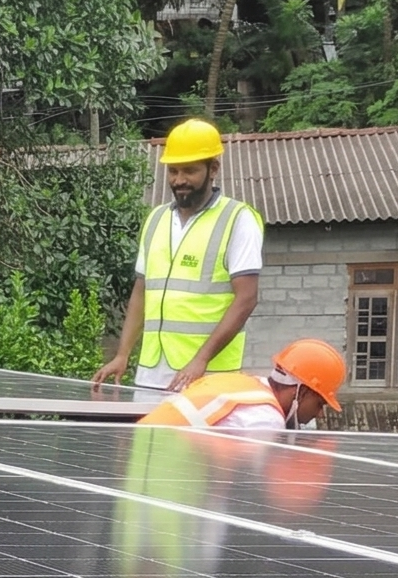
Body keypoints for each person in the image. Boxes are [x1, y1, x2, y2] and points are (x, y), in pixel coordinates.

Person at [93, 118, 264, 396]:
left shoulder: (237, 220)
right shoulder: (156, 219)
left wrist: (201, 360)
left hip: (208, 379)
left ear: (213, 169)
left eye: (190, 171)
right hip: (150, 376)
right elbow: (141, 291)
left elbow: (246, 298)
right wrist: (122, 354)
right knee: (145, 429)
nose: (179, 180)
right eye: (173, 171)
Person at [135, 337, 347, 431]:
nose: (320, 414)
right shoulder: (265, 419)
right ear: (301, 391)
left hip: (148, 461)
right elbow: (244, 486)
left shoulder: (242, 384)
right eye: (320, 403)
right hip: (167, 478)